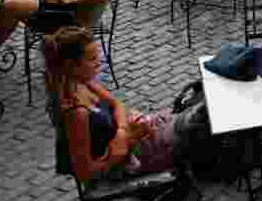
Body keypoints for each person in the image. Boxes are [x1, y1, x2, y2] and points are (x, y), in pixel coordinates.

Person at [46, 27, 174, 181]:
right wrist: (128, 140)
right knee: (191, 125)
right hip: (124, 165)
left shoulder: (83, 83)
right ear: (71, 65)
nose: (99, 62)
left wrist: (122, 131)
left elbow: (117, 104)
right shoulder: (77, 112)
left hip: (132, 137)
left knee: (183, 114)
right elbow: (85, 173)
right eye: (92, 59)